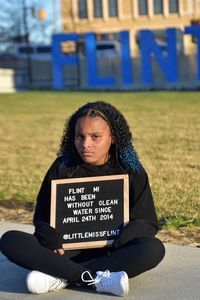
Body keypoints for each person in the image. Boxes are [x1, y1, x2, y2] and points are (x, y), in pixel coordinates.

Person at [0, 101, 165, 297]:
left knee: (153, 249)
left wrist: (122, 237)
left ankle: (60, 276)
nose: (85, 144)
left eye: (95, 137)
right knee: (11, 240)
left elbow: (147, 221)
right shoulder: (63, 166)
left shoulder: (130, 170)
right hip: (63, 252)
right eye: (80, 136)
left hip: (112, 253)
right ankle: (96, 279)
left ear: (113, 138)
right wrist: (49, 238)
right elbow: (42, 217)